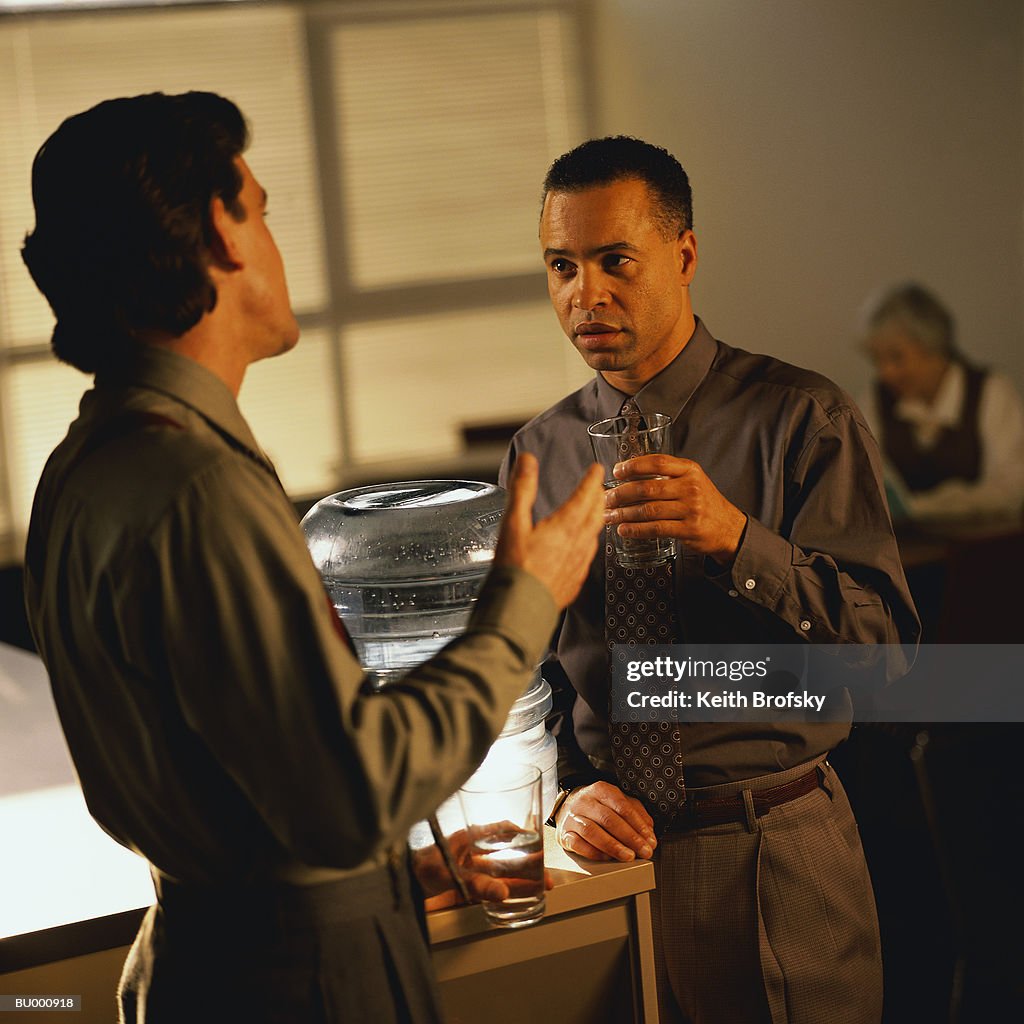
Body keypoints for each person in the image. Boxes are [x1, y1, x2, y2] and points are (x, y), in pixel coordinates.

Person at [20, 91, 605, 1024]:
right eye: (261, 207)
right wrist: (526, 601)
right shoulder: (194, 486)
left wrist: (380, 880)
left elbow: (239, 775)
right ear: (221, 231)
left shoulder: (82, 469)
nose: (274, 237)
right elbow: (349, 789)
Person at [499, 136, 921, 1024]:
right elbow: (526, 675)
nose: (587, 294)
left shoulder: (804, 419)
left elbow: (888, 662)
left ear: (684, 255)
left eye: (616, 261)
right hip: (609, 870)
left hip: (773, 850)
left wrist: (738, 542)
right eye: (561, 265)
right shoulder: (538, 453)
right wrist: (568, 791)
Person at [860, 281, 1024, 523]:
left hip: (989, 549)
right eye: (877, 360)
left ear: (933, 346)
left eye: (896, 357)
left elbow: (1013, 488)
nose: (886, 373)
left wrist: (931, 506)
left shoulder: (991, 391)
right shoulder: (875, 401)